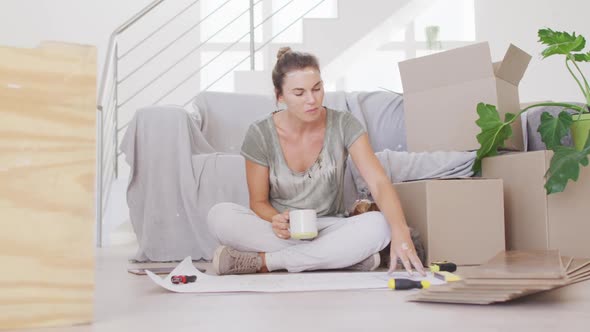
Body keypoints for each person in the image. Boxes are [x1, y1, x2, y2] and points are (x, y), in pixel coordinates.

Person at [207, 47, 425, 276]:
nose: (312, 100)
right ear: (280, 96)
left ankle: (268, 262)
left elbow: (379, 183)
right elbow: (258, 201)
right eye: (299, 93)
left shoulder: (344, 124)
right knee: (220, 216)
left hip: (329, 227)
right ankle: (340, 258)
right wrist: (276, 220)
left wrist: (401, 231)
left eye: (317, 89)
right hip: (282, 232)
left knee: (379, 225)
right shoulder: (260, 134)